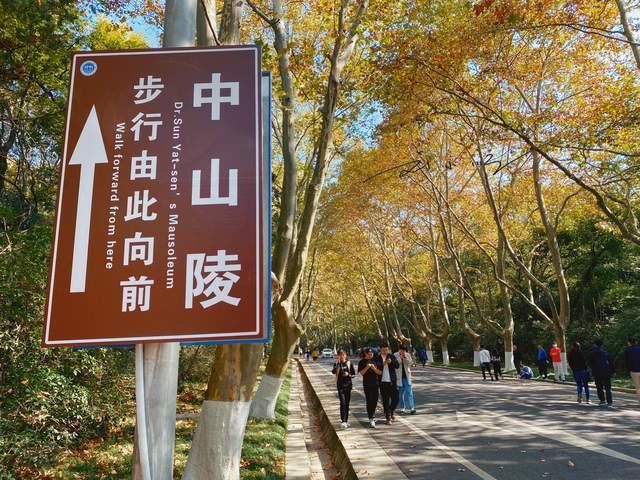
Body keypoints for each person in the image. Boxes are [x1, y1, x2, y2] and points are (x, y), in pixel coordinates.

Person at [375, 342, 400, 424]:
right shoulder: (377, 358)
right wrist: (384, 363)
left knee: (396, 399)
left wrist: (391, 362)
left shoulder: (391, 356)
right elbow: (377, 368)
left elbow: (397, 365)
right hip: (383, 382)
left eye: (386, 350)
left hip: (392, 381)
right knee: (385, 400)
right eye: (383, 350)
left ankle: (390, 411)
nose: (385, 352)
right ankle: (388, 417)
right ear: (380, 350)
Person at [332, 349, 356, 428]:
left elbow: (353, 375)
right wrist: (338, 364)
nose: (341, 356)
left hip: (348, 386)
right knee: (342, 402)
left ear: (345, 355)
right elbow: (334, 372)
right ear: (338, 356)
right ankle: (343, 421)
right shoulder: (337, 364)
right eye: (340, 355)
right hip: (340, 386)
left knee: (347, 403)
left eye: (343, 355)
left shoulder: (349, 363)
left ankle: (346, 420)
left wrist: (348, 374)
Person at [358, 347, 381, 428]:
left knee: (375, 400)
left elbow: (379, 372)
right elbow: (361, 373)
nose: (371, 354)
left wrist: (374, 368)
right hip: (367, 384)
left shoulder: (375, 361)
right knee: (369, 400)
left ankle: (372, 414)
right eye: (370, 353)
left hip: (375, 383)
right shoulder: (362, 362)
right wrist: (367, 367)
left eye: (372, 353)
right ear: (366, 354)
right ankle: (371, 417)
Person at [589, 339, 614, 407]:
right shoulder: (606, 352)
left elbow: (591, 364)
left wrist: (592, 372)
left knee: (599, 387)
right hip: (606, 371)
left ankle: (602, 400)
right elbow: (611, 362)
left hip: (597, 372)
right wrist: (612, 371)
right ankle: (609, 401)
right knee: (608, 388)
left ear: (595, 344)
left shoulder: (592, 353)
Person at [395, 345, 416, 415]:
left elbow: (410, 364)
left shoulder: (407, 354)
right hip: (399, 377)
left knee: (409, 392)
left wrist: (405, 358)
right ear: (399, 349)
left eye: (404, 350)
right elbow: (395, 364)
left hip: (407, 377)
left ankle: (412, 408)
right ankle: (402, 409)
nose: (403, 352)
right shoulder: (395, 355)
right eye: (402, 350)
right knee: (400, 394)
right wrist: (400, 358)